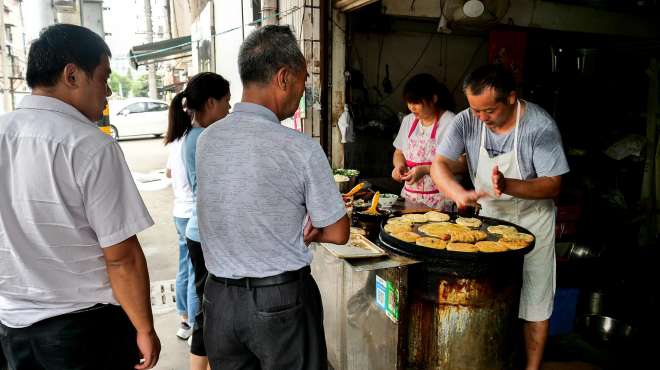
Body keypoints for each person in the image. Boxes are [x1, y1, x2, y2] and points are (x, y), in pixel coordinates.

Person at [0, 24, 160, 369]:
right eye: (103, 78)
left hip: (11, 328)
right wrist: (145, 328)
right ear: (72, 75)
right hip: (85, 332)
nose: (108, 93)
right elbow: (121, 258)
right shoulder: (90, 145)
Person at [196, 25, 350, 370]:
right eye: (302, 80)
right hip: (279, 303)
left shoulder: (208, 140)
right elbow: (339, 232)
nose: (303, 90)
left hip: (219, 300)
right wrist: (315, 231)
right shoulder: (300, 148)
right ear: (283, 78)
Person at [430, 64, 569, 370]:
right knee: (487, 293)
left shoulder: (539, 126)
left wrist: (509, 186)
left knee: (535, 298)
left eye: (489, 111)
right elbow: (438, 164)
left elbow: (554, 183)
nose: (481, 118)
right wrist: (457, 194)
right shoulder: (468, 120)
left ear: (511, 98)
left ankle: (531, 367)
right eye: (475, 110)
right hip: (488, 219)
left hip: (533, 220)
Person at [166, 71, 231, 370]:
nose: (229, 109)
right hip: (206, 234)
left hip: (198, 231)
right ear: (211, 102)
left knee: (210, 307)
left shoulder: (191, 135)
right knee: (209, 311)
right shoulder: (206, 137)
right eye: (226, 102)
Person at [392, 73, 463, 210]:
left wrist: (427, 169)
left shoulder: (450, 121)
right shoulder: (408, 121)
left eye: (417, 103)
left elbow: (462, 164)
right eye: (409, 102)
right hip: (410, 199)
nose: (412, 108)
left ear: (434, 98)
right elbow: (399, 152)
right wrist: (399, 166)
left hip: (441, 201)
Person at [165, 110, 196, 341]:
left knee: (184, 267)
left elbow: (168, 172)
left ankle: (184, 319)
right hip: (191, 211)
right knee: (195, 271)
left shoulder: (175, 140)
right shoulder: (193, 138)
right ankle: (195, 324)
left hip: (178, 211)